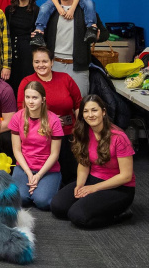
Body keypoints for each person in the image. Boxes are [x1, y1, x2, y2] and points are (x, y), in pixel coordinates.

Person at [51, 95, 136, 228]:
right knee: (58, 207)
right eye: (86, 111)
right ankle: (89, 205)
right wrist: (80, 185)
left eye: (94, 110)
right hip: (93, 179)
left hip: (119, 188)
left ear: (103, 112)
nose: (90, 115)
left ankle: (120, 214)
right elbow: (83, 163)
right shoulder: (83, 132)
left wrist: (94, 188)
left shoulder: (119, 137)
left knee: (77, 216)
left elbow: (126, 176)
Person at [18, 46, 82, 183]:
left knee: (70, 174)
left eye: (45, 61)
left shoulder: (65, 78)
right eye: (36, 62)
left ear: (52, 62)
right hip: (42, 136)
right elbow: (21, 110)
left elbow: (78, 104)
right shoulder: (27, 82)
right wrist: (49, 120)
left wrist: (80, 129)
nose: (41, 65)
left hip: (69, 133)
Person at [35, 0, 106, 95]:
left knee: (80, 103)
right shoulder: (50, 13)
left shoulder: (86, 11)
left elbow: (105, 34)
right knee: (55, 101)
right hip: (54, 66)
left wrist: (97, 37)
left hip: (78, 67)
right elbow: (42, 37)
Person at [9, 81, 63, 210]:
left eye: (35, 98)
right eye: (27, 97)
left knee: (42, 201)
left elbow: (55, 154)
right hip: (24, 166)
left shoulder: (54, 120)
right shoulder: (17, 117)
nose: (30, 101)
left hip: (47, 168)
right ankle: (32, 190)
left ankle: (48, 185)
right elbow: (16, 150)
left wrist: (38, 176)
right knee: (19, 199)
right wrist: (29, 173)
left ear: (43, 99)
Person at [6, 0, 40, 91]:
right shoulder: (9, 10)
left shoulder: (37, 11)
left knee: (28, 85)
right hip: (12, 53)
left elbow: (41, 35)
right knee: (12, 85)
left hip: (28, 53)